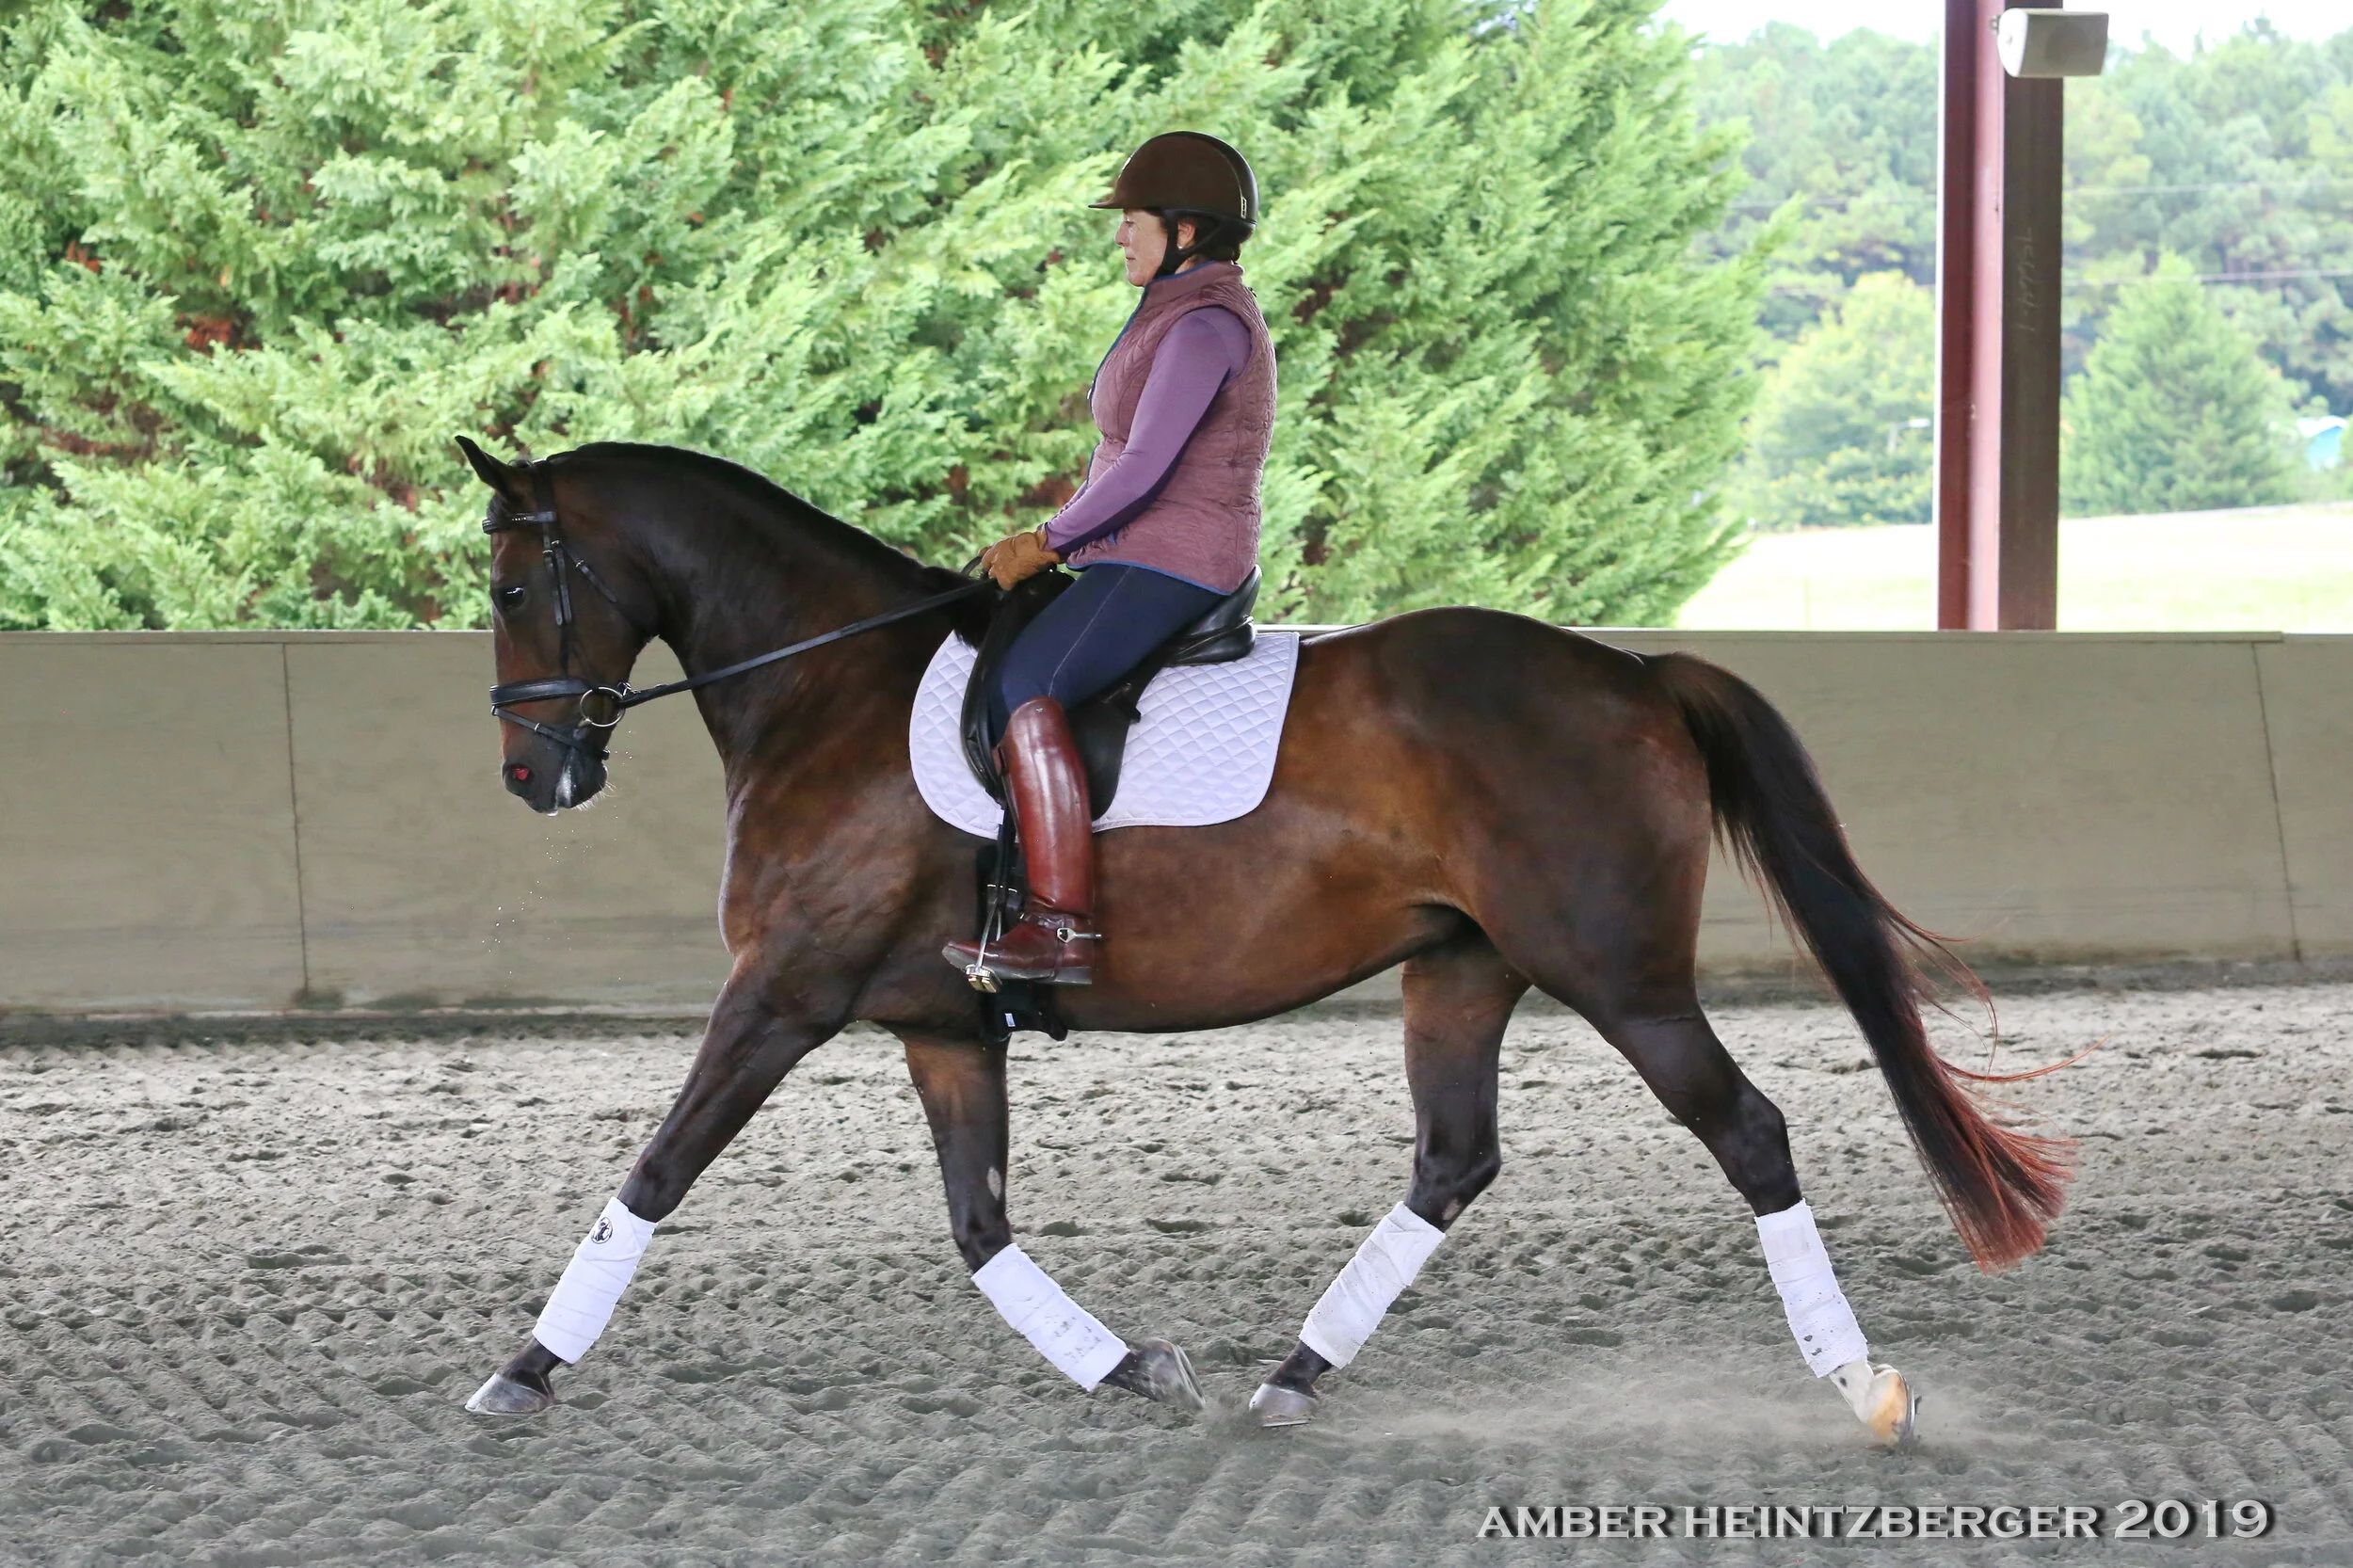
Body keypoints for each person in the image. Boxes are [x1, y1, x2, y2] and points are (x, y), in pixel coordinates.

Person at [942, 131, 1276, 988]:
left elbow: (1144, 467)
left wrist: (1046, 541)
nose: (1121, 236)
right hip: (1136, 548)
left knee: (1028, 687)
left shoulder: (1204, 325)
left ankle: (1060, 930)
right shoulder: (1172, 309)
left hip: (1180, 556)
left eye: (1134, 222)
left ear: (1188, 232)